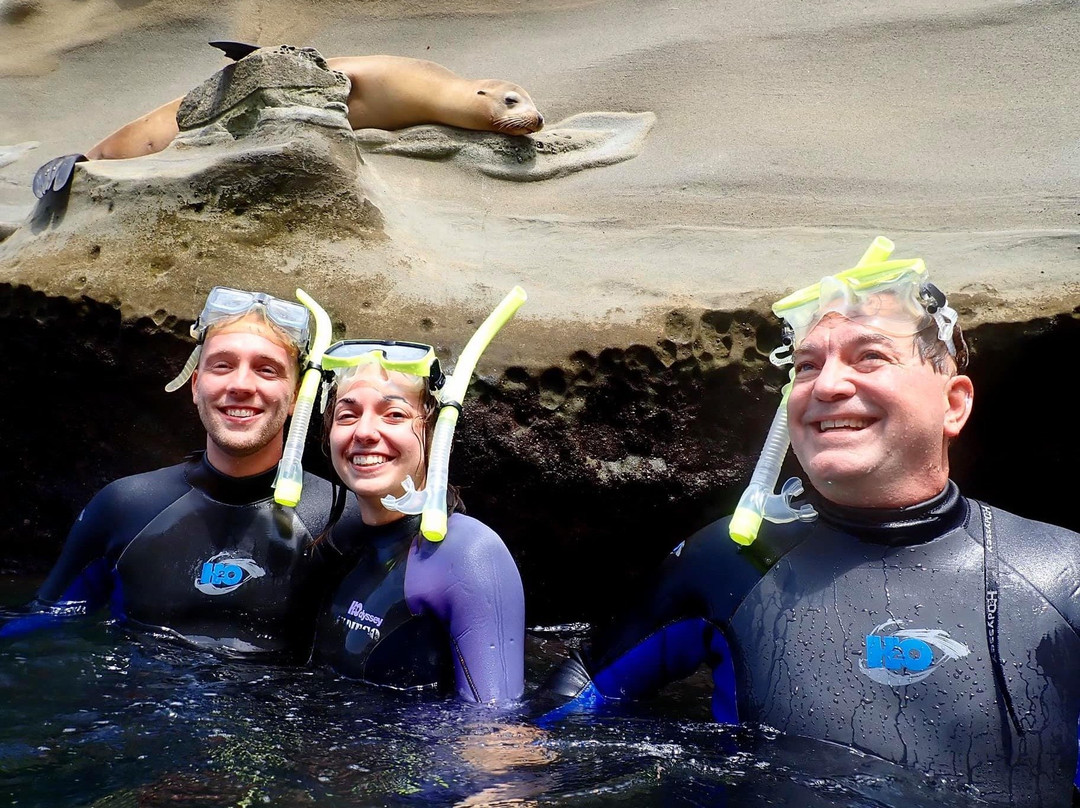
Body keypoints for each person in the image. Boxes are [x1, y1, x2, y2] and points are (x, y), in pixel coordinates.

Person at [541, 241, 1080, 806]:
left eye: (869, 356)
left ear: (954, 405)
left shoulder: (1060, 573)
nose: (825, 386)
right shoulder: (732, 560)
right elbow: (578, 690)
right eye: (806, 365)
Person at [0, 286, 341, 663]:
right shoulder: (126, 506)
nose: (241, 385)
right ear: (195, 386)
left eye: (266, 369)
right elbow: (44, 620)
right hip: (135, 713)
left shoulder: (341, 519)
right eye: (222, 365)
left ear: (296, 396)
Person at [311, 337, 525, 704]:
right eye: (347, 415)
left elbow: (494, 736)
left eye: (394, 414)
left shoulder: (468, 553)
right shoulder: (338, 541)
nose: (364, 432)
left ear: (435, 433)